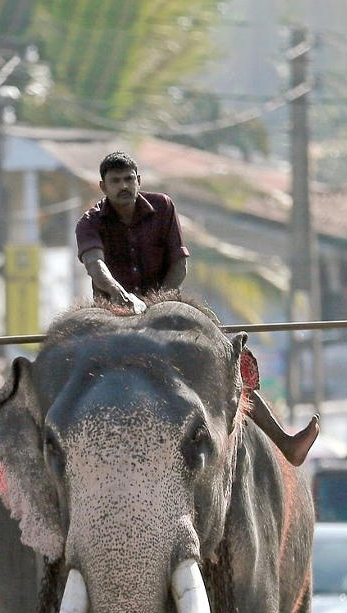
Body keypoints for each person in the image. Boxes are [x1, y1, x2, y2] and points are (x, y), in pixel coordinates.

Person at [74, 150, 319, 466]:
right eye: (115, 181)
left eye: (128, 179)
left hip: (165, 309)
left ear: (139, 181)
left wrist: (158, 304)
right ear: (102, 186)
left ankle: (286, 444)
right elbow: (95, 265)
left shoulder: (162, 207)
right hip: (113, 316)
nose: (123, 186)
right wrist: (120, 295)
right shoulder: (90, 222)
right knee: (67, 368)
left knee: (223, 361)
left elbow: (179, 264)